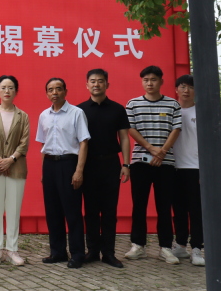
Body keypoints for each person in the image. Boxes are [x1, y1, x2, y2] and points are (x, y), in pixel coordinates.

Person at [124, 65, 181, 265]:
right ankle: (138, 245)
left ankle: (165, 247)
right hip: (140, 161)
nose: (149, 83)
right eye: (146, 80)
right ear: (142, 82)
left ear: (161, 81)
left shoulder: (173, 104)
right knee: (139, 205)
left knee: (164, 207)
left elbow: (176, 129)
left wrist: (162, 151)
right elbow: (130, 129)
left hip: (166, 162)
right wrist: (150, 148)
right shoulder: (133, 104)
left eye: (153, 79)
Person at [77, 69, 130, 268]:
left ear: (107, 84)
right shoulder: (79, 110)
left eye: (100, 81)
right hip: (88, 165)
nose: (96, 84)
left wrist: (126, 164)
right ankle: (92, 251)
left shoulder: (117, 109)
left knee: (109, 210)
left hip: (110, 164)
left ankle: (108, 253)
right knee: (90, 210)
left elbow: (124, 138)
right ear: (87, 85)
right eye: (92, 81)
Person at [37, 78, 90, 269]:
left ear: (65, 91)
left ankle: (77, 254)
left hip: (69, 164)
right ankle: (58, 252)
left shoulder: (77, 113)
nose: (55, 93)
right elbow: (43, 144)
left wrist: (79, 170)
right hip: (49, 165)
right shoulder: (44, 115)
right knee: (53, 211)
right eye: (50, 90)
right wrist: (43, 172)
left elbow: (84, 142)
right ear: (46, 93)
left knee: (72, 211)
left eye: (58, 89)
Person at [0, 75, 30, 267]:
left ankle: (12, 249)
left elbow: (24, 143)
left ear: (16, 91)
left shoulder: (23, 116)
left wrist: (10, 160)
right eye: (3, 87)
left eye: (11, 87)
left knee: (13, 209)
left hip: (16, 167)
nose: (7, 91)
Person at [170, 75, 205, 266]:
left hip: (195, 168)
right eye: (182, 86)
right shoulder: (170, 109)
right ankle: (181, 245)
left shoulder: (202, 112)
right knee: (178, 209)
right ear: (176, 89)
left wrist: (205, 170)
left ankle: (197, 248)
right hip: (174, 167)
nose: (186, 90)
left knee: (196, 210)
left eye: (190, 87)